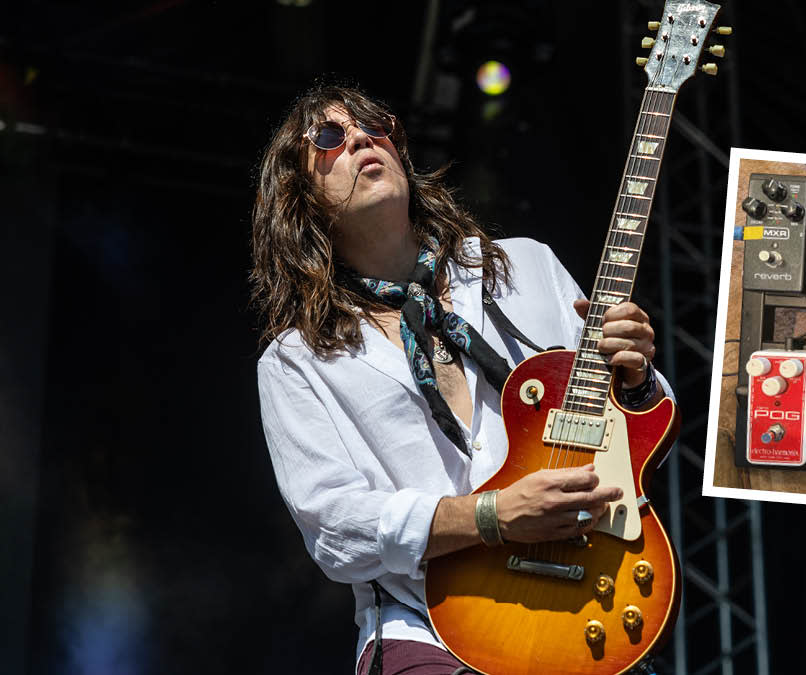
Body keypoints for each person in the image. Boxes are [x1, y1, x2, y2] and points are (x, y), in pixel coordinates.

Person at [250, 84, 669, 675]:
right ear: (299, 197)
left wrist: (636, 380)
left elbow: (639, 428)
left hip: (589, 596)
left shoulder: (525, 266)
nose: (363, 139)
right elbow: (336, 529)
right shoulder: (297, 360)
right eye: (329, 138)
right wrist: (492, 515)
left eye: (376, 124)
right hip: (424, 626)